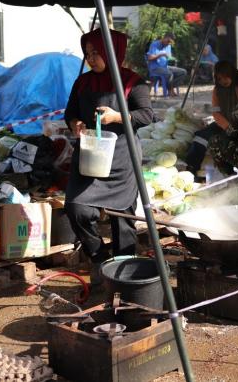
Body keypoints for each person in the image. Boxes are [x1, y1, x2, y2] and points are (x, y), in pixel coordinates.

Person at [64, 29, 154, 284]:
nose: (91, 59)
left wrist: (117, 117)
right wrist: (75, 124)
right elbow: (70, 112)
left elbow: (147, 115)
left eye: (96, 53)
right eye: (88, 54)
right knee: (76, 207)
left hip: (122, 158)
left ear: (112, 52)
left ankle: (125, 275)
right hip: (90, 154)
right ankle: (99, 258)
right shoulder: (82, 82)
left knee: (122, 218)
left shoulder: (132, 82)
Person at [184, 61, 237, 175]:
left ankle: (230, 174)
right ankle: (192, 169)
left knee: (225, 143)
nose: (223, 81)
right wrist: (227, 127)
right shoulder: (217, 91)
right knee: (200, 137)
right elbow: (216, 113)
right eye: (219, 78)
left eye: (225, 77)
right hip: (223, 124)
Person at [146, 32, 187, 96]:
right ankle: (170, 90)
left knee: (183, 72)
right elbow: (149, 57)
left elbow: (168, 57)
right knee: (169, 73)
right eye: (168, 41)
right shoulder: (154, 44)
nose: (168, 43)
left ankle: (170, 87)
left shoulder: (168, 46)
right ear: (165, 37)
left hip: (165, 67)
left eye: (170, 42)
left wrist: (172, 58)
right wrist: (160, 55)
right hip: (155, 68)